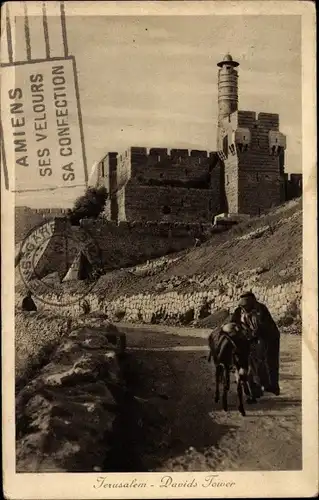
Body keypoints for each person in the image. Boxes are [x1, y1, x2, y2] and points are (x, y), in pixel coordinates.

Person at [230, 291, 280, 396]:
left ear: (253, 302)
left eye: (247, 304)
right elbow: (233, 323)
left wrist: (253, 334)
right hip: (252, 337)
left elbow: (263, 326)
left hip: (269, 337)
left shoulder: (261, 309)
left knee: (270, 361)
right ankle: (259, 385)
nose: (245, 307)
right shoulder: (239, 311)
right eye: (243, 305)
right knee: (252, 360)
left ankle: (273, 386)